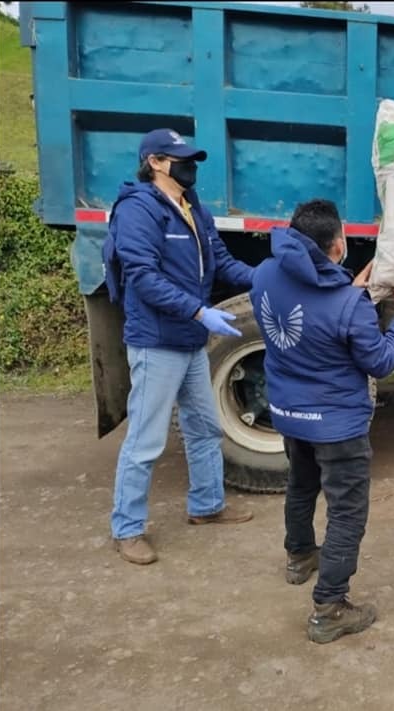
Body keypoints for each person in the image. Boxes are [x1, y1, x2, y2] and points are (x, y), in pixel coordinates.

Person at [250, 198, 394, 644]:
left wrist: (345, 289)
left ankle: (299, 557)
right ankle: (329, 609)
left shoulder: (264, 275)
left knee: (301, 485)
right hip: (337, 426)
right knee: (347, 513)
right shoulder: (349, 305)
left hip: (288, 413)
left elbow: (312, 310)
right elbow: (380, 362)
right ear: (337, 245)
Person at [108, 129, 256, 565]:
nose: (190, 165)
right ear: (154, 161)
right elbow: (143, 276)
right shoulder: (138, 209)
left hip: (190, 341)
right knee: (145, 439)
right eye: (180, 158)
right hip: (157, 341)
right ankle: (127, 529)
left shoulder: (192, 208)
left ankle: (207, 506)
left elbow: (222, 262)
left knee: (205, 427)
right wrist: (199, 311)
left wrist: (267, 278)